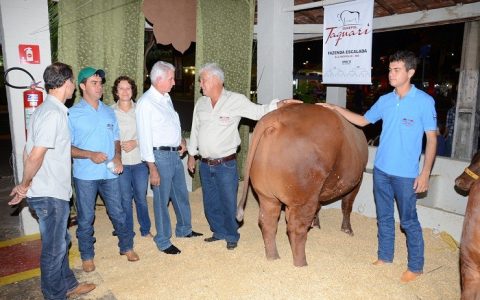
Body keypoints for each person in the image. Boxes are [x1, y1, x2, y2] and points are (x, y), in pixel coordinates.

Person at [319, 50, 437, 283]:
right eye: (390, 70)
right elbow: (363, 120)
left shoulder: (424, 101)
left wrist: (425, 173)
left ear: (410, 72)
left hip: (406, 175)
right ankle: (385, 257)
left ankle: (416, 266)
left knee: (408, 221)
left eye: (396, 70)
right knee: (383, 217)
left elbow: (431, 139)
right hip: (382, 170)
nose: (391, 74)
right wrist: (334, 108)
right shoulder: (385, 100)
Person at [187, 63, 301, 250]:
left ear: (216, 80)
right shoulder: (200, 104)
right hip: (205, 164)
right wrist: (192, 155)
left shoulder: (236, 100)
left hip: (225, 164)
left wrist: (278, 104)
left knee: (228, 201)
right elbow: (195, 130)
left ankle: (232, 235)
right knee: (210, 202)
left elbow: (258, 112)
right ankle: (218, 232)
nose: (200, 84)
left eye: (203, 80)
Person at [9, 62, 95, 299]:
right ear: (67, 83)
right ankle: (54, 294)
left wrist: (26, 184)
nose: (73, 89)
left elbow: (28, 152)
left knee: (61, 242)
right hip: (50, 193)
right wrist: (25, 185)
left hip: (50, 190)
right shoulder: (52, 113)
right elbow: (36, 155)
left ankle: (67, 284)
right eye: (72, 83)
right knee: (54, 250)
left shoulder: (47, 110)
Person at [69, 67, 139, 273]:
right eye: (94, 83)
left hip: (110, 173)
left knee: (119, 211)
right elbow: (66, 147)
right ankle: (87, 256)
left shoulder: (109, 111)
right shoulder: (72, 114)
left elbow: (116, 138)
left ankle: (126, 247)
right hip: (85, 176)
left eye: (100, 83)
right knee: (86, 217)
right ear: (82, 86)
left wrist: (117, 156)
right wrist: (90, 154)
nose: (99, 87)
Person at [136, 61, 203, 255]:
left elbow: (170, 125)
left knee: (181, 194)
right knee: (161, 200)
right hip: (159, 157)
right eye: (171, 78)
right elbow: (145, 137)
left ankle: (184, 229)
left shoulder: (165, 98)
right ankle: (163, 240)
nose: (174, 82)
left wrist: (181, 140)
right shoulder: (146, 103)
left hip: (174, 154)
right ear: (158, 79)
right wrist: (152, 167)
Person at [111, 76, 152, 238]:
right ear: (116, 91)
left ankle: (145, 229)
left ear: (133, 90)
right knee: (125, 199)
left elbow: (150, 133)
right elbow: (107, 135)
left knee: (141, 197)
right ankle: (127, 231)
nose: (125, 91)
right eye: (121, 88)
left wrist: (135, 142)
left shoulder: (140, 110)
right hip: (121, 163)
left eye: (128, 88)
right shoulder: (110, 111)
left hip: (139, 162)